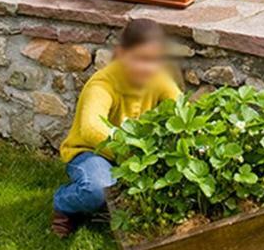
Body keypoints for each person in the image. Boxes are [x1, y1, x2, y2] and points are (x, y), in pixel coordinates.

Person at [52, 19, 182, 237]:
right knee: (97, 190)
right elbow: (90, 129)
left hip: (134, 157)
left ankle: (111, 204)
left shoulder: (158, 79)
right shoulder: (103, 84)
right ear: (122, 53)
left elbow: (180, 110)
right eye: (140, 59)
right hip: (92, 153)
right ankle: (63, 204)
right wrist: (132, 152)